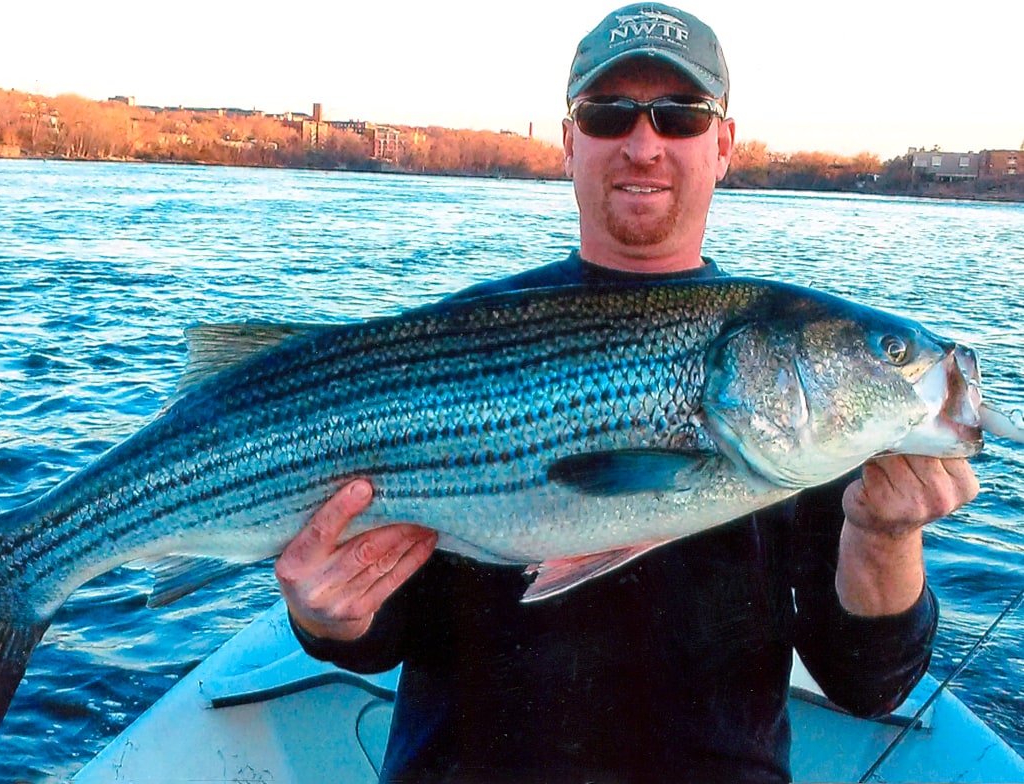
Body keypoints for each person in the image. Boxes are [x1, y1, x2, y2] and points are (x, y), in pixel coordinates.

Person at [273, 5, 980, 782]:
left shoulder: (800, 385)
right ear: (570, 141)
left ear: (723, 146)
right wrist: (320, 613)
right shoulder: (456, 337)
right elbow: (379, 639)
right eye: (608, 115)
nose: (643, 144)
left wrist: (884, 536)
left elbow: (867, 682)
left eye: (680, 116)